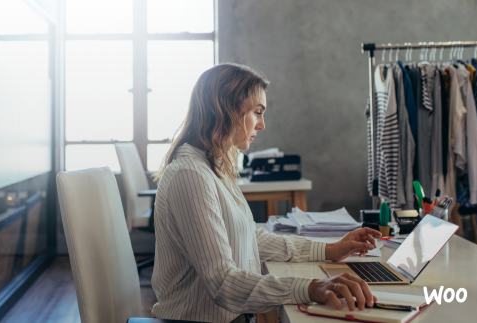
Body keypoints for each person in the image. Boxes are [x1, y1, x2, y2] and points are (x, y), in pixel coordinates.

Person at [151, 63, 381, 323]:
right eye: (257, 113)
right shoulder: (190, 175)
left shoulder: (213, 167)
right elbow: (223, 283)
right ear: (226, 111)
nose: (262, 125)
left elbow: (253, 238)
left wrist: (330, 250)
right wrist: (310, 288)